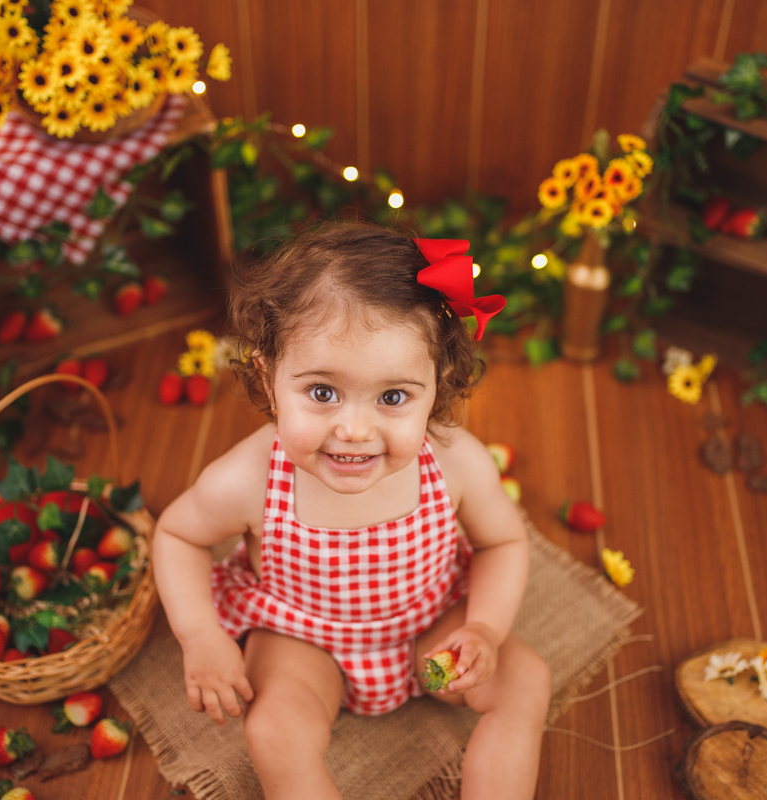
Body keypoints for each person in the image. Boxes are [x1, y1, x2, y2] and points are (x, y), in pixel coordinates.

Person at [152, 222, 551, 800]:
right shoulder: (250, 477)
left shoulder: (455, 462)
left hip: (427, 644)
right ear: (269, 375)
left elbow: (502, 544)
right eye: (321, 392)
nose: (355, 430)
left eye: (393, 398)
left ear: (434, 389)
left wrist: (483, 627)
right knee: (274, 731)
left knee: (524, 684)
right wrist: (200, 636)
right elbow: (178, 537)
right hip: (306, 647)